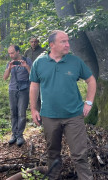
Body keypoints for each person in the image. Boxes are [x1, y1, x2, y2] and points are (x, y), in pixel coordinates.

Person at [29, 30, 96, 180]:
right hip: (49, 116)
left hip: (74, 116)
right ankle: (54, 177)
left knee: (79, 155)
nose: (67, 44)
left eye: (67, 41)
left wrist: (89, 103)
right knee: (52, 153)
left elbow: (91, 80)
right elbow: (34, 86)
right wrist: (33, 109)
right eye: (63, 41)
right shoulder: (39, 63)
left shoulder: (75, 61)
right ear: (52, 44)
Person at [3, 45, 32, 147]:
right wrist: (9, 68)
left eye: (12, 53)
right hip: (12, 89)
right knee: (13, 113)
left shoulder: (27, 60)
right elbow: (5, 78)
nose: (11, 55)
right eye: (9, 53)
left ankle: (20, 135)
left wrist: (26, 66)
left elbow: (33, 75)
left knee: (22, 114)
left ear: (18, 51)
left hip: (24, 90)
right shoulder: (10, 63)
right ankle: (14, 134)